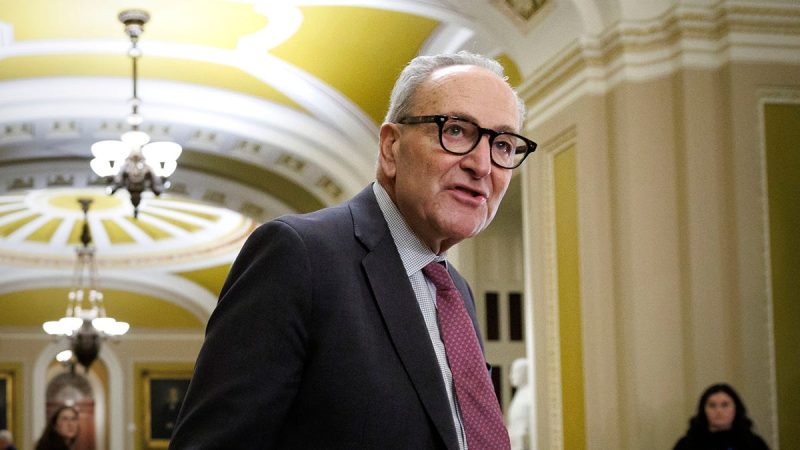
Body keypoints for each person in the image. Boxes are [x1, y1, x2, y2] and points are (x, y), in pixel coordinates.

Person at [170, 50, 537, 449]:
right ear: (391, 148)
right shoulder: (298, 255)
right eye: (456, 131)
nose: (482, 165)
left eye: (503, 145)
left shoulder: (456, 292)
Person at [673, 383, 770, 450]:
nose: (719, 411)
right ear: (703, 410)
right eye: (712, 405)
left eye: (725, 405)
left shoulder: (753, 443)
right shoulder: (687, 444)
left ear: (736, 409)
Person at [506, 358, 532, 450]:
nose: (511, 376)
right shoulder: (520, 393)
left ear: (525, 373)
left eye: (515, 372)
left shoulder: (531, 395)